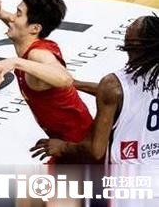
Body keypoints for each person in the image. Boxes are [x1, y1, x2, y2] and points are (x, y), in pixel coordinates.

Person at [0, 0, 93, 162]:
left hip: (78, 151)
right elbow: (19, 26)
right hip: (70, 143)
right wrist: (0, 13)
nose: (12, 18)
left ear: (35, 28)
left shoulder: (37, 55)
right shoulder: (34, 42)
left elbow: (65, 79)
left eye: (18, 14)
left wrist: (15, 62)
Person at [31, 15, 159, 165]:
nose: (126, 29)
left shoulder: (112, 84)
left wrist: (62, 147)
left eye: (131, 27)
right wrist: (77, 84)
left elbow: (95, 151)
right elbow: (126, 95)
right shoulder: (125, 85)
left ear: (137, 42)